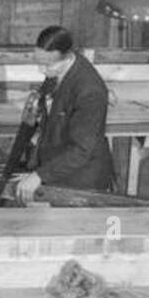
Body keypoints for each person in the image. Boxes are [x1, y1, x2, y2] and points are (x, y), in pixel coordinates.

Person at [14, 25, 115, 203]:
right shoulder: (61, 68)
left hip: (80, 179)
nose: (41, 70)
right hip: (56, 161)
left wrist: (39, 176)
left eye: (46, 65)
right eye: (38, 62)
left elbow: (81, 150)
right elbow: (52, 98)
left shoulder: (89, 91)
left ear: (67, 57)